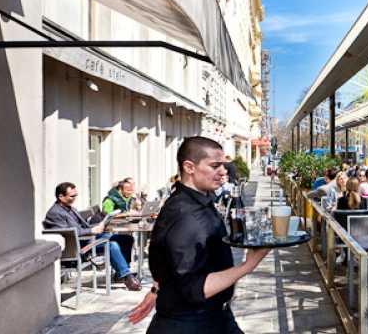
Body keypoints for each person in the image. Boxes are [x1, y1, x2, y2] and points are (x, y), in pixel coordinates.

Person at [129, 136, 270, 332]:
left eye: (223, 165)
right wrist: (248, 265)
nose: (223, 171)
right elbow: (194, 288)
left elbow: (169, 260)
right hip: (191, 324)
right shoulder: (186, 216)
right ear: (189, 167)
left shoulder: (198, 200)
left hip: (213, 317)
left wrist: (157, 289)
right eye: (215, 166)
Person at [44, 182, 141, 291]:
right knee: (112, 245)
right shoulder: (55, 213)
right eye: (72, 196)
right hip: (79, 246)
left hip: (87, 239)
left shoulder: (70, 208)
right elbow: (68, 233)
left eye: (76, 195)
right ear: (60, 196)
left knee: (126, 239)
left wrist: (100, 226)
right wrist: (91, 230)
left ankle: (121, 272)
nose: (75, 198)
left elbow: (81, 227)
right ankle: (127, 277)